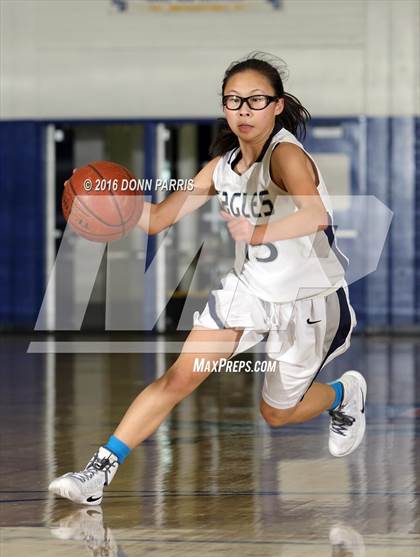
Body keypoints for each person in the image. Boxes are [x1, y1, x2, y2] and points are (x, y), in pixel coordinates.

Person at [49, 52, 366, 506]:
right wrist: (108, 201)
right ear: (224, 107)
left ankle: (343, 393)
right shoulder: (221, 168)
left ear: (277, 106)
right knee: (179, 377)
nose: (244, 110)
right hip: (248, 292)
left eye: (256, 100)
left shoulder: (287, 156)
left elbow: (315, 215)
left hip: (310, 300)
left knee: (276, 414)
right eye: (233, 100)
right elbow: (158, 218)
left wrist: (259, 230)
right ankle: (97, 473)